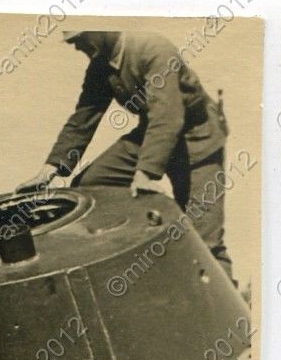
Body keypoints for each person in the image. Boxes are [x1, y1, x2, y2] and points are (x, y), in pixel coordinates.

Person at [16, 31, 232, 277]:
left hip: (197, 140)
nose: (78, 48)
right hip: (153, 133)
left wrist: (145, 174)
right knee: (91, 184)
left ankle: (229, 311)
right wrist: (49, 169)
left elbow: (168, 115)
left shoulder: (153, 48)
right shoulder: (101, 66)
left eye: (82, 38)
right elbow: (83, 118)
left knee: (205, 240)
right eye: (74, 42)